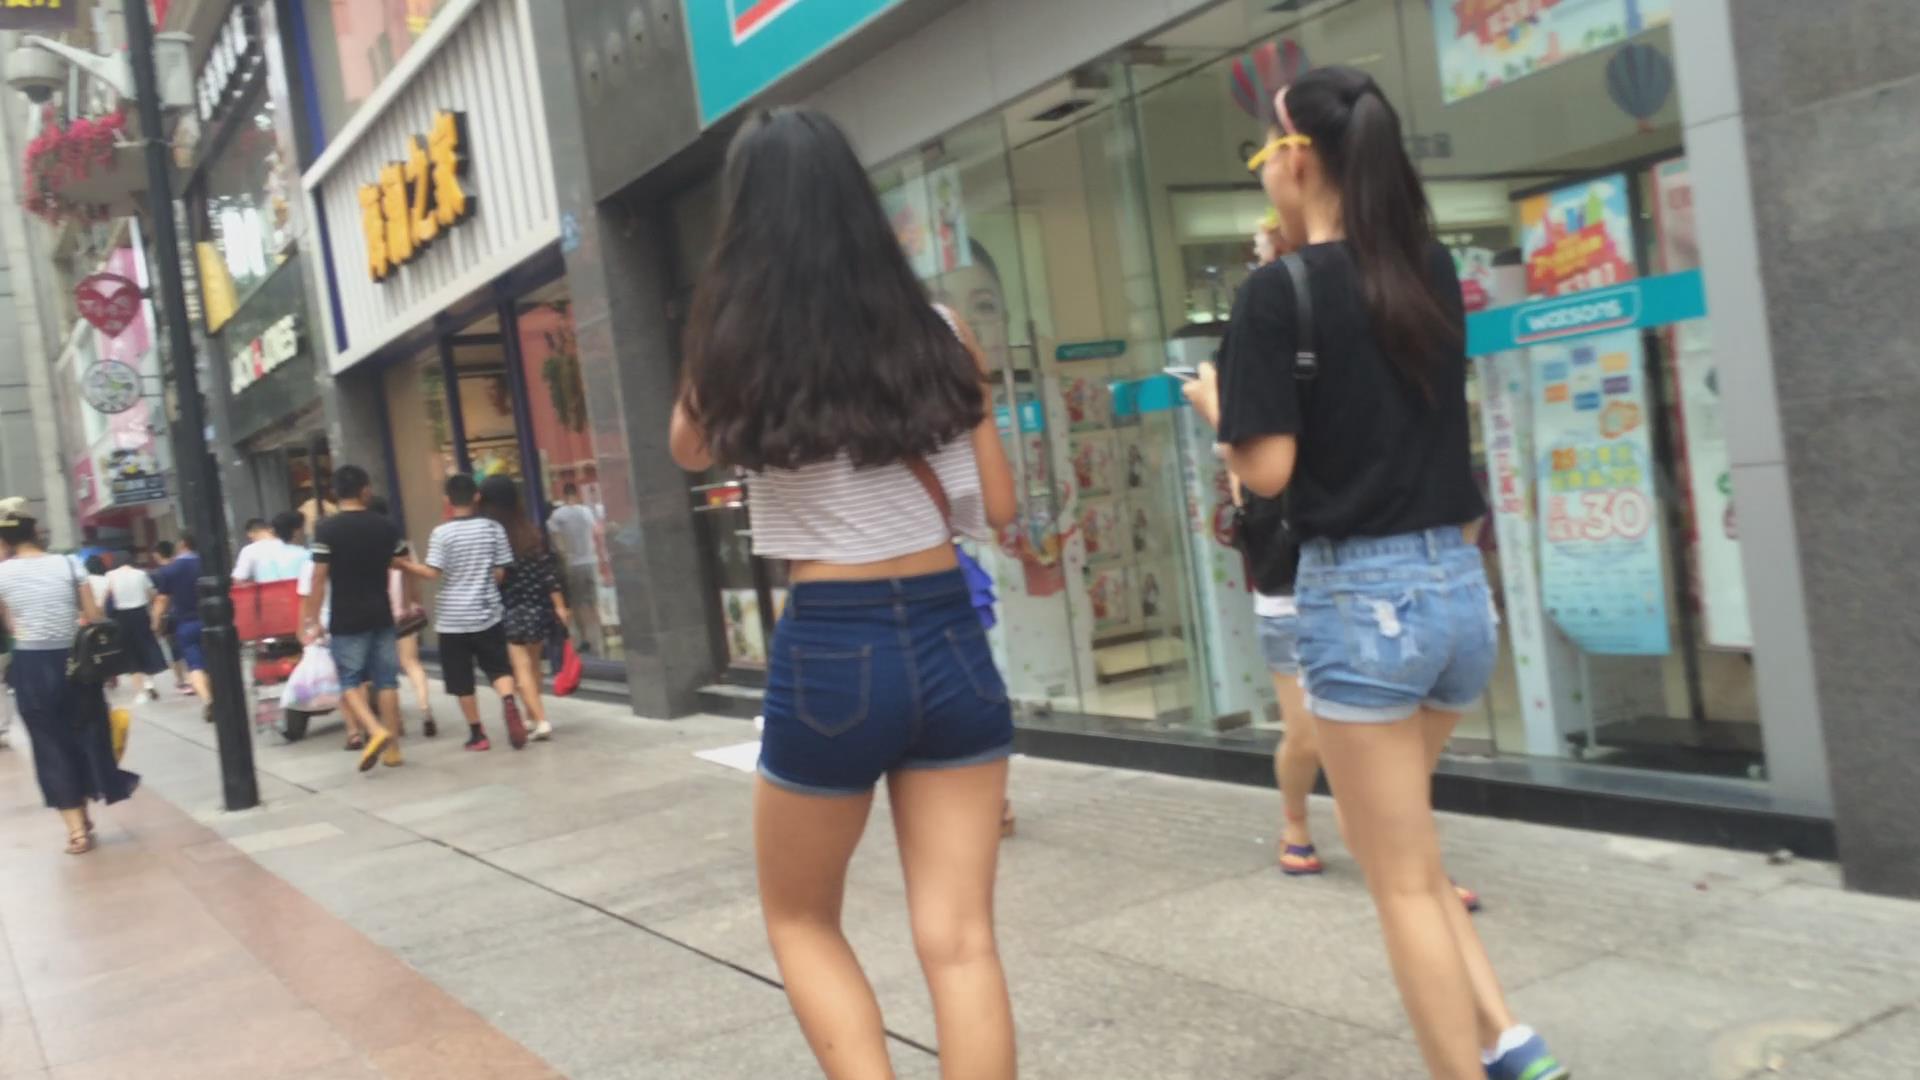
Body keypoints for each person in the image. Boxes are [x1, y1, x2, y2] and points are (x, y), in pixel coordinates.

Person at [1185, 69, 1566, 1080]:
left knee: (1394, 879)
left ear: (1299, 159)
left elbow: (1268, 469)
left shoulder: (1278, 294)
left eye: (1263, 152)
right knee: (1404, 846)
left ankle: (1468, 1064)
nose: (1262, 171)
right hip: (1458, 593)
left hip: (1362, 602)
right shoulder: (1428, 269)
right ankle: (1509, 1040)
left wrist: (1219, 409)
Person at [670, 107, 1020, 1079]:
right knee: (962, 941)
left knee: (800, 918)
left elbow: (686, 448)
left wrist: (729, 321)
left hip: (831, 645)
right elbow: (997, 506)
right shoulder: (940, 334)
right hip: (949, 633)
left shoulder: (740, 346)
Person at [0, 502, 140, 854]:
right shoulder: (68, 564)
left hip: (31, 666)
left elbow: (10, 625)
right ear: (36, 531)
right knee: (88, 734)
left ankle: (77, 829)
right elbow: (92, 615)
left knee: (49, 743)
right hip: (76, 662)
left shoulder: (2, 574)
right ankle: (87, 801)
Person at [403, 473, 523, 751]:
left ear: (447, 499)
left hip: (453, 619)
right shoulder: (493, 528)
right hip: (487, 613)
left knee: (461, 679)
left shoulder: (441, 533)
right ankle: (508, 701)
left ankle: (478, 734)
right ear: (477, 496)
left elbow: (432, 573)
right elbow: (501, 572)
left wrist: (403, 565)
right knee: (499, 668)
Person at [304, 466, 410, 771]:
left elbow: (319, 576)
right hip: (381, 612)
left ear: (335, 493)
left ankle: (375, 731)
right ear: (365, 490)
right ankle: (393, 750)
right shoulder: (385, 526)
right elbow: (402, 562)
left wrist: (313, 618)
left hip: (346, 615)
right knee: (386, 681)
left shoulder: (327, 530)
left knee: (349, 680)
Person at [479, 476, 567, 743]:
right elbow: (547, 572)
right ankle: (532, 716)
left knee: (521, 669)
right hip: (537, 607)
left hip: (512, 608)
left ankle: (541, 720)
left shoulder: (492, 535)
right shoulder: (529, 530)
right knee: (534, 666)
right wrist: (559, 605)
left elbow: (497, 576)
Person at [366, 496, 434, 737]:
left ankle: (397, 722)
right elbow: (412, 578)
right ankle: (425, 709)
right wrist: (415, 603)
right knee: (412, 663)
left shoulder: (367, 545)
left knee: (384, 672)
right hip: (405, 614)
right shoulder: (403, 545)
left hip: (380, 614)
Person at [150, 532, 211, 715]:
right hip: (210, 620)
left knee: (195, 666)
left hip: (186, 623)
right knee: (212, 663)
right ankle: (216, 697)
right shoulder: (208, 564)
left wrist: (155, 623)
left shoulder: (171, 570)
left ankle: (208, 700)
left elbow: (162, 600)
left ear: (183, 543)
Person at [545, 483, 603, 656]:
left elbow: (556, 540)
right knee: (593, 602)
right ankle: (599, 635)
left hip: (573, 563)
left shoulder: (558, 515)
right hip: (591, 561)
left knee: (577, 603)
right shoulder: (586, 511)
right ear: (576, 495)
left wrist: (564, 557)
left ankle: (584, 639)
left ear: (564, 495)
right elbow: (597, 531)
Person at [103, 555, 168, 702]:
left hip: (122, 616)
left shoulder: (110, 575)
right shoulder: (141, 574)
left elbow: (107, 596)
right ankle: (149, 682)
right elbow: (151, 594)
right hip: (141, 614)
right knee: (146, 647)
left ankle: (140, 693)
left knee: (130, 652)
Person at [233, 511, 311, 583]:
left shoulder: (250, 550)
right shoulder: (304, 554)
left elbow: (238, 579)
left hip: (267, 593)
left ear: (250, 534)